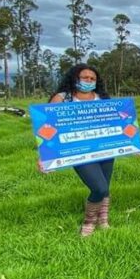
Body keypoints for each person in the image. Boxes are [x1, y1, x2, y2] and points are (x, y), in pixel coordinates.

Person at [48, 64, 114, 237]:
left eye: (92, 79)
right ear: (75, 78)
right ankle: (89, 222)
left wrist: (132, 144)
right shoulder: (62, 99)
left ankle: (103, 221)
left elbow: (117, 123)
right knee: (98, 188)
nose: (89, 81)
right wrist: (45, 157)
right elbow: (48, 128)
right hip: (78, 151)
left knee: (105, 187)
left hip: (105, 150)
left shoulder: (103, 98)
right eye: (85, 78)